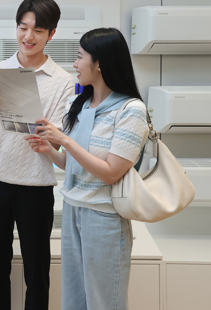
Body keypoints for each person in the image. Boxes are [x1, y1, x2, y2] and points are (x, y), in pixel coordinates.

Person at [25, 27, 149, 310]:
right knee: (73, 301)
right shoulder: (77, 104)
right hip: (72, 210)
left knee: (104, 303)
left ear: (100, 63)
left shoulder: (131, 111)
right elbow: (71, 164)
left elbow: (111, 172)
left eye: (80, 57)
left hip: (104, 218)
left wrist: (64, 140)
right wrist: (49, 150)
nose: (75, 64)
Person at [0, 0, 75, 310]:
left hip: (35, 183)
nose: (28, 36)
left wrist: (45, 134)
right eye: (23, 27)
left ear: (51, 34)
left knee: (37, 271)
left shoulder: (63, 81)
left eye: (38, 30)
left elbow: (57, 143)